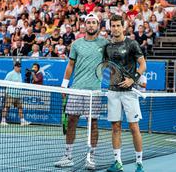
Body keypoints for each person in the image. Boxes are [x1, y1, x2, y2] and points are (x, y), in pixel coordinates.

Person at [54, 13, 109, 170]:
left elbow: (112, 61)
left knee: (93, 124)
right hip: (77, 89)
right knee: (71, 121)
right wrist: (64, 85)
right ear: (84, 25)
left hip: (94, 92)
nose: (91, 25)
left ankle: (90, 157)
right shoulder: (76, 44)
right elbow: (70, 65)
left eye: (94, 23)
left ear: (98, 26)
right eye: (88, 23)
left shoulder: (105, 44)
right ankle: (68, 156)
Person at [105, 15, 146, 172]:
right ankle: (117, 162)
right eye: (113, 26)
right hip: (113, 92)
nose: (115, 28)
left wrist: (133, 79)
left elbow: (143, 65)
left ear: (123, 27)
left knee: (134, 127)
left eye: (118, 25)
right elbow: (107, 67)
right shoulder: (108, 47)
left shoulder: (132, 44)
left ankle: (139, 164)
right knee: (116, 127)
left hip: (129, 92)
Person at [1, 62, 31, 126]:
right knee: (7, 107)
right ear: (15, 67)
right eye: (18, 67)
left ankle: (22, 121)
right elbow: (4, 82)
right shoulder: (10, 74)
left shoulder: (20, 74)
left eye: (20, 67)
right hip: (10, 94)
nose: (19, 68)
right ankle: (3, 121)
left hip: (18, 95)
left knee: (20, 108)